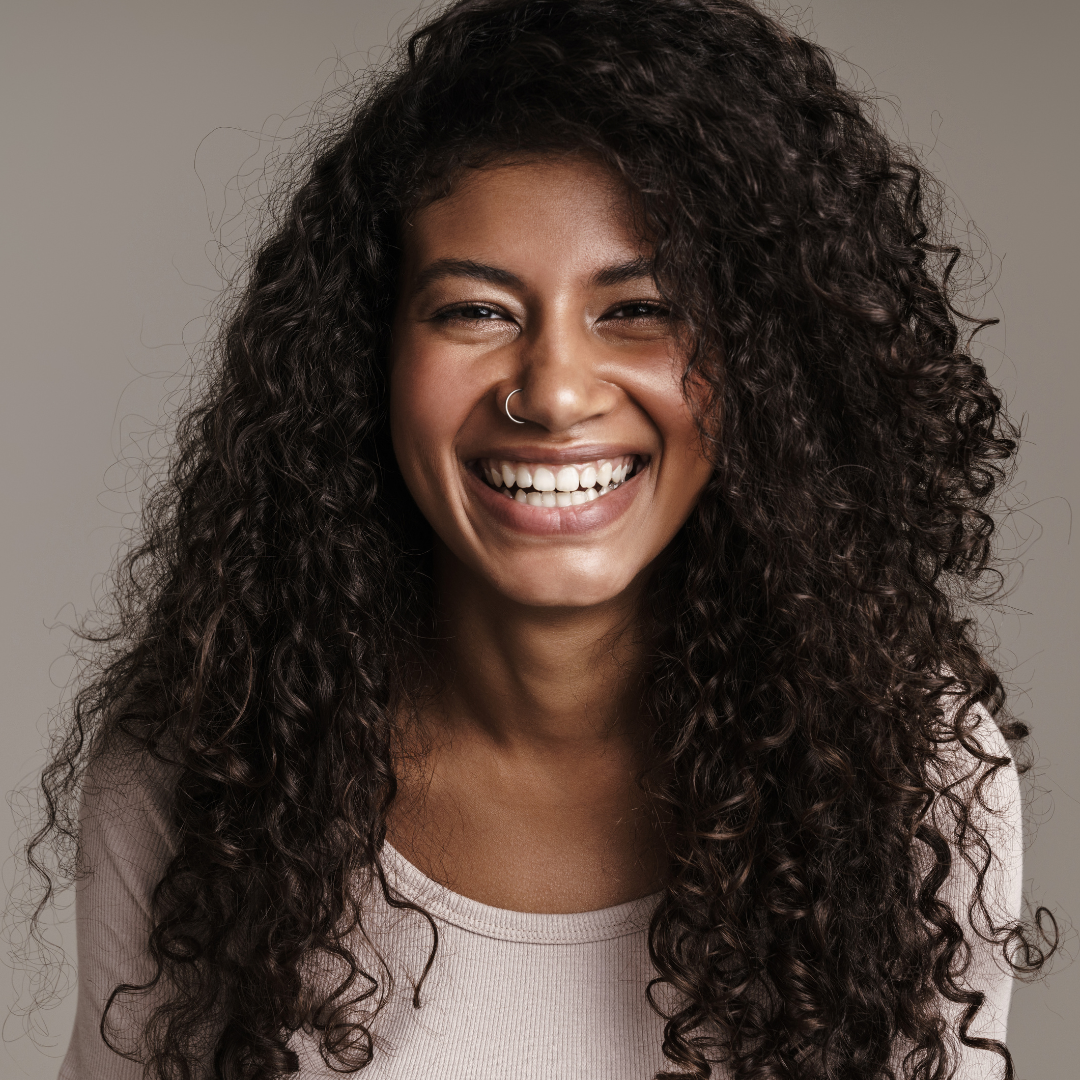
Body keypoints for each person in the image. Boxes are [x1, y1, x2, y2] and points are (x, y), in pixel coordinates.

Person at [31, 1, 1054, 1077]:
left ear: (770, 363)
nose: (555, 393)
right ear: (368, 360)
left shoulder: (914, 774)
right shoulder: (209, 770)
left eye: (641, 309)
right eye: (476, 311)